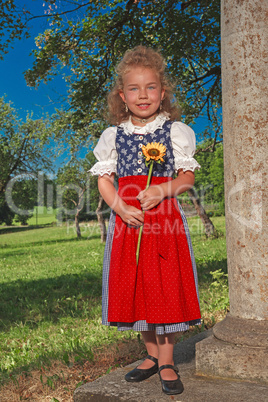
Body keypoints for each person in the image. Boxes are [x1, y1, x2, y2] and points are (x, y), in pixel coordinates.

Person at [90, 45, 201, 395]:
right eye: (134, 89)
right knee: (136, 283)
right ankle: (150, 355)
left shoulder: (174, 131)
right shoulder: (113, 135)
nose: (143, 95)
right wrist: (119, 207)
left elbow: (187, 178)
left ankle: (167, 359)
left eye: (150, 87)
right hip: (129, 221)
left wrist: (163, 190)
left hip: (163, 219)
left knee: (163, 284)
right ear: (122, 96)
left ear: (162, 92)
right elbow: (104, 180)